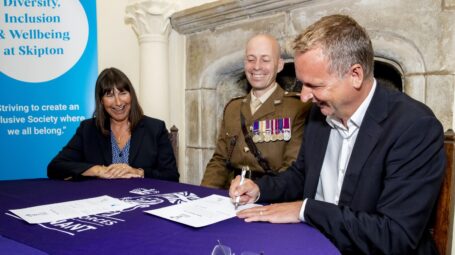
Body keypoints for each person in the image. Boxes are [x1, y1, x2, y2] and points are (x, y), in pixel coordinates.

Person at [229, 15, 445, 254]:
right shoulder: (320, 111)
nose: (304, 97)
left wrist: (306, 210)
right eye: (302, 85)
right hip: (314, 242)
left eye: (315, 85)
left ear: (355, 75)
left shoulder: (414, 127)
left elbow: (393, 236)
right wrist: (260, 190)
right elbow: (301, 175)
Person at [201, 34, 311, 189]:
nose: (256, 66)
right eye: (251, 59)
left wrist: (259, 192)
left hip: (272, 198)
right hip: (232, 194)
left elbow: (292, 170)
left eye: (265, 60)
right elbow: (219, 161)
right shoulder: (233, 108)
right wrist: (204, 195)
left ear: (279, 65)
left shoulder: (297, 108)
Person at [48, 67, 179, 181]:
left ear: (131, 95)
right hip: (100, 201)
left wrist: (138, 172)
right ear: (101, 101)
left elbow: (171, 176)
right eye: (109, 95)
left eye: (123, 93)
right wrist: (98, 170)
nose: (118, 102)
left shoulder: (155, 128)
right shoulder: (88, 129)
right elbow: (55, 167)